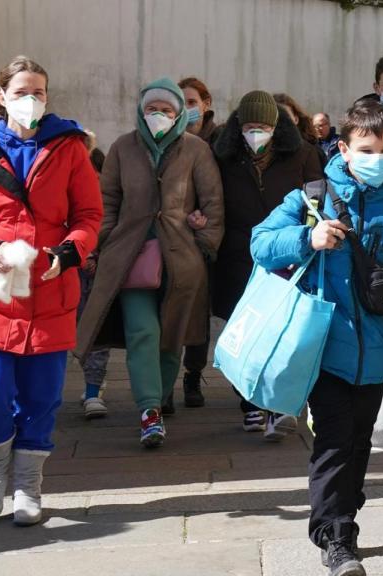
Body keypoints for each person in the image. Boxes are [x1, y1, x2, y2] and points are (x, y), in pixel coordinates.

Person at [251, 100, 383, 576]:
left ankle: (343, 516)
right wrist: (307, 239)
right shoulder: (312, 198)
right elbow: (260, 243)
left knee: (358, 443)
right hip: (323, 352)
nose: (379, 157)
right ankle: (336, 534)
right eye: (368, 148)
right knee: (334, 441)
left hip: (379, 357)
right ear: (344, 149)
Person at [0, 55, 102, 526]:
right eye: (22, 93)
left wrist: (68, 254)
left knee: (41, 395)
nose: (31, 101)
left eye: (39, 93)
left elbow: (88, 216)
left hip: (49, 291)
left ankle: (28, 482)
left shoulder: (68, 147)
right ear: (1, 97)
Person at [75, 78, 225, 448]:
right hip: (130, 258)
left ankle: (158, 398)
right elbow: (106, 201)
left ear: (178, 114)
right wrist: (104, 244)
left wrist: (203, 242)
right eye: (152, 110)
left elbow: (213, 202)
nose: (159, 116)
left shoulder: (195, 150)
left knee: (171, 337)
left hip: (181, 260)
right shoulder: (123, 147)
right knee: (143, 331)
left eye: (167, 110)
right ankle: (149, 411)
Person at [212, 90, 323, 439]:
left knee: (281, 330)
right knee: (242, 330)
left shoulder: (303, 154)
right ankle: (249, 404)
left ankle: (277, 407)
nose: (255, 132)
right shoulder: (223, 156)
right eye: (249, 126)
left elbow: (316, 197)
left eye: (262, 126)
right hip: (236, 254)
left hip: (285, 253)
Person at [176, 76, 221, 410]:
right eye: (182, 103)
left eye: (192, 102)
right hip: (175, 235)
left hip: (209, 234)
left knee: (200, 312)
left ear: (206, 104)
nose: (187, 109)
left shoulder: (220, 141)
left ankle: (193, 374)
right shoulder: (169, 139)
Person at [79, 147, 111, 419]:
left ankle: (93, 390)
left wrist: (99, 256)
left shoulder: (109, 199)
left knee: (98, 333)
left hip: (100, 274)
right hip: (67, 273)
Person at [274, 92, 327, 165]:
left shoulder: (311, 152)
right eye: (275, 117)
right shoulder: (261, 153)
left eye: (285, 116)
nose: (281, 121)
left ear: (296, 119)